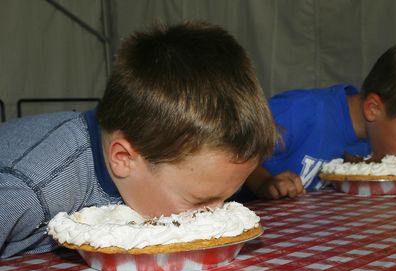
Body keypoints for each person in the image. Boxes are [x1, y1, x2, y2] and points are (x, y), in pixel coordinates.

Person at [0, 21, 278, 258]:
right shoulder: (29, 189)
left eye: (225, 198)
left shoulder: (165, 171)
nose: (215, 213)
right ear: (123, 159)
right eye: (198, 201)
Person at [234, 39, 396, 201]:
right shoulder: (301, 112)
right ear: (373, 109)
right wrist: (264, 182)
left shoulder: (375, 141)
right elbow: (228, 144)